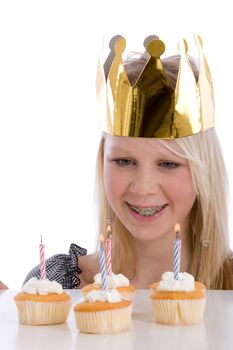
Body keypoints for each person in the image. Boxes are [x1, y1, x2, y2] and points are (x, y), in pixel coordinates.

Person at [24, 34, 233, 290]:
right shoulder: (54, 283)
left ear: (205, 171)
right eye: (124, 161)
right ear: (103, 163)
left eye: (168, 164)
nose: (143, 187)